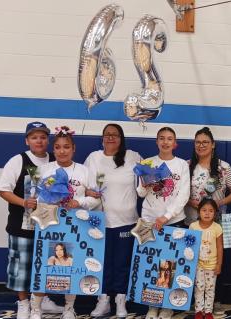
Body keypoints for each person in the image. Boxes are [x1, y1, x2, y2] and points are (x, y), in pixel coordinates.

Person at [0, 122, 63, 319]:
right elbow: (2, 190)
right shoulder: (18, 160)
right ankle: (23, 303)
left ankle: (42, 301)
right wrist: (24, 202)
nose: (39, 141)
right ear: (27, 140)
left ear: (48, 140)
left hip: (49, 228)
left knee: (45, 265)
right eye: (34, 137)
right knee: (21, 268)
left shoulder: (55, 160)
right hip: (22, 226)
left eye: (42, 137)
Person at [34, 126, 100, 319]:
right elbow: (34, 198)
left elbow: (96, 198)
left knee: (71, 265)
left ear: (73, 149)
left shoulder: (84, 171)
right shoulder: (44, 170)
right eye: (58, 147)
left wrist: (79, 201)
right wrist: (52, 199)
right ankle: (36, 308)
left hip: (75, 225)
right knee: (44, 265)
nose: (62, 151)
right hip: (49, 224)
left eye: (66, 147)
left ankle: (69, 308)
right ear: (53, 149)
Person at [84, 123, 142, 318]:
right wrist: (86, 191)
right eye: (107, 135)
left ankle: (120, 301)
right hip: (99, 222)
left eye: (115, 135)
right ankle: (103, 300)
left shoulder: (133, 157)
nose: (110, 138)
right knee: (102, 263)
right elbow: (84, 185)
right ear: (102, 138)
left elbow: (146, 182)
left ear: (121, 138)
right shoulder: (94, 158)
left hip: (127, 220)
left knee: (122, 263)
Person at [185, 126, 231, 314]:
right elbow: (180, 194)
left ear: (213, 145)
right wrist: (193, 203)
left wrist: (219, 202)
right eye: (198, 142)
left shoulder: (223, 167)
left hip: (220, 221)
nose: (201, 145)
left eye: (205, 142)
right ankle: (197, 303)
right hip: (192, 221)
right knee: (196, 260)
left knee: (218, 260)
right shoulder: (186, 166)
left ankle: (216, 301)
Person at [137, 127, 190, 319]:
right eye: (162, 138)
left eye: (169, 139)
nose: (165, 142)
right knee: (150, 263)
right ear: (157, 141)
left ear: (175, 143)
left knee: (168, 264)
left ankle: (167, 305)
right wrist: (145, 184)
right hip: (149, 220)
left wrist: (166, 217)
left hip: (173, 220)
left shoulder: (182, 165)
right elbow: (140, 193)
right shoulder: (147, 162)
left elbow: (184, 194)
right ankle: (152, 304)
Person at [189, 198, 223, 319]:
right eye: (204, 210)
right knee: (199, 287)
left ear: (215, 213)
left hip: (212, 265)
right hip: (198, 265)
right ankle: (199, 311)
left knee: (210, 288)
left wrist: (219, 264)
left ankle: (208, 311)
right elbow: (189, 246)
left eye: (210, 211)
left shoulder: (217, 227)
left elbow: (220, 247)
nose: (207, 213)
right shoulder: (193, 227)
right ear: (198, 212)